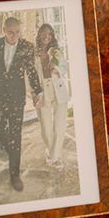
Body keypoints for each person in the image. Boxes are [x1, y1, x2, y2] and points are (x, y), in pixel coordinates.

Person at [0, 17, 42, 192]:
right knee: (0, 129)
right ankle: (13, 152)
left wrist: (39, 91)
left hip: (16, 98)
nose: (15, 36)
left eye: (17, 33)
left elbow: (31, 71)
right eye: (11, 32)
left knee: (15, 134)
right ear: (4, 30)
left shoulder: (26, 47)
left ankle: (15, 174)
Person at [33, 23, 69, 170]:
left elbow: (65, 68)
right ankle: (51, 152)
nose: (47, 36)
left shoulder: (56, 51)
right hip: (43, 90)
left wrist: (57, 69)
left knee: (59, 126)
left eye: (50, 34)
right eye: (44, 33)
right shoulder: (33, 53)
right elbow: (29, 75)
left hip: (58, 90)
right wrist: (34, 93)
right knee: (46, 127)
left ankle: (55, 157)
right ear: (39, 34)